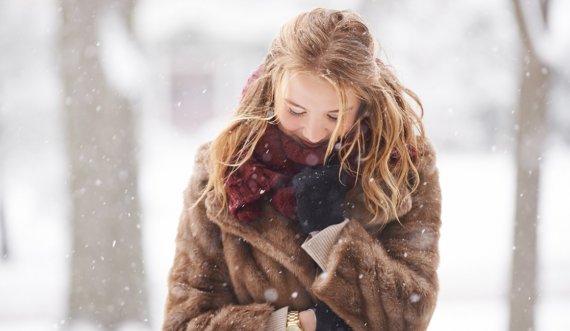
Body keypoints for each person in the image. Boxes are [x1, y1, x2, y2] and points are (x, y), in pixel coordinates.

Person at [162, 7, 441, 331]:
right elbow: (183, 322)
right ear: (272, 86)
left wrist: (332, 235)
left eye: (334, 116)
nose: (312, 132)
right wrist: (295, 325)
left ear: (363, 103)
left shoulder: (402, 166)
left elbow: (412, 313)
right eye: (295, 110)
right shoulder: (225, 171)